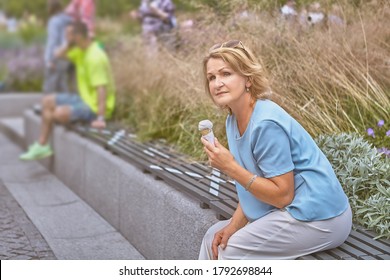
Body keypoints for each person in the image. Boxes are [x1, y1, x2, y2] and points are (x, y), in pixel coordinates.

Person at [198, 40, 352, 260]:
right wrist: (233, 225)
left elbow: (282, 196)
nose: (217, 83)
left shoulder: (265, 123)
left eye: (226, 73)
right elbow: (255, 181)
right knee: (212, 239)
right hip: (291, 209)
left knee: (230, 253)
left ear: (248, 79)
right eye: (211, 77)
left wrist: (230, 167)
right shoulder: (233, 121)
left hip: (321, 217)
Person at [20, 21, 116, 161]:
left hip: (94, 107)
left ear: (78, 36)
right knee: (47, 101)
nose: (66, 39)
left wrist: (100, 118)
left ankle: (47, 129)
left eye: (68, 36)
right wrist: (69, 43)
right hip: (84, 98)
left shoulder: (95, 57)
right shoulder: (81, 51)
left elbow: (101, 89)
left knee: (58, 113)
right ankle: (42, 146)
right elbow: (58, 54)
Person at [43, 0, 72, 94]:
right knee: (62, 84)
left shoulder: (54, 21)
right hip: (67, 55)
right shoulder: (69, 20)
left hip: (56, 55)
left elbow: (53, 41)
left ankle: (46, 106)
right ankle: (65, 105)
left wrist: (48, 59)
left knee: (50, 86)